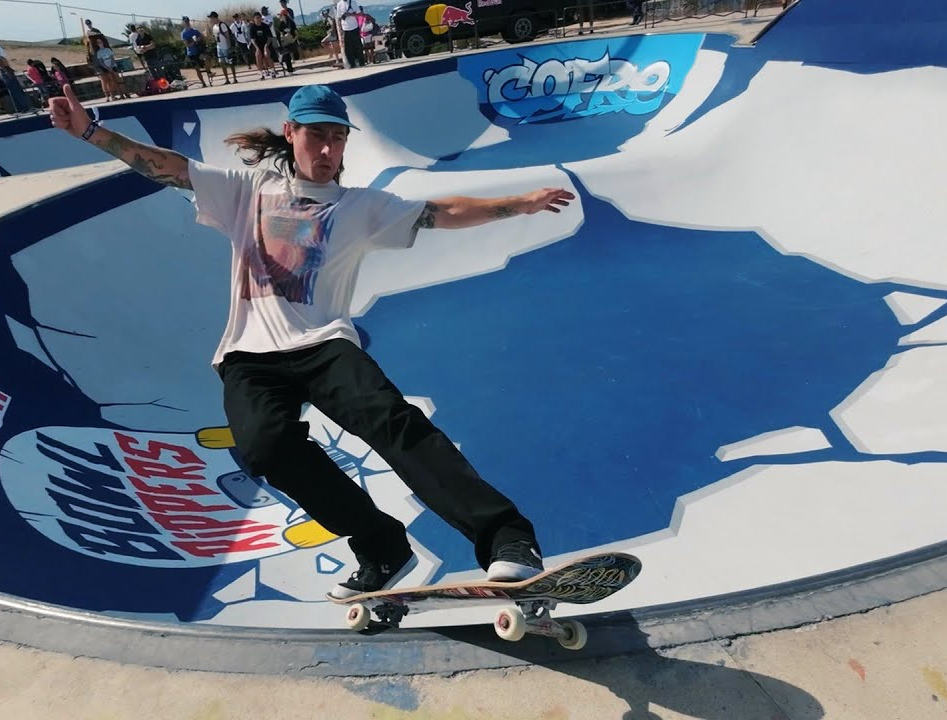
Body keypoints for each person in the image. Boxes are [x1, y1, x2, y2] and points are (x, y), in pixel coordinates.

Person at [47, 83, 571, 597]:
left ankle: (507, 539)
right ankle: (380, 544)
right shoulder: (245, 191)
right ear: (290, 133)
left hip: (324, 345)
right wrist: (91, 132)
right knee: (265, 447)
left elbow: (444, 211)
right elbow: (167, 167)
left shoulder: (360, 207)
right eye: (316, 137)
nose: (327, 150)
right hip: (248, 355)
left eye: (337, 139)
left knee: (393, 424)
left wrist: (517, 204)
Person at [180, 16, 213, 87]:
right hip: (191, 53)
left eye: (188, 21)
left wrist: (201, 38)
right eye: (185, 22)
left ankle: (208, 71)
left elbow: (202, 37)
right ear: (183, 23)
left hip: (199, 51)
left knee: (207, 58)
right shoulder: (183, 33)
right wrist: (194, 41)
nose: (187, 23)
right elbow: (187, 45)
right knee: (197, 69)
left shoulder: (195, 31)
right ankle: (203, 83)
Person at [209, 12, 239, 85]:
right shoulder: (214, 27)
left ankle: (234, 78)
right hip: (219, 46)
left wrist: (229, 47)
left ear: (215, 17)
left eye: (211, 18)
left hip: (225, 46)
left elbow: (227, 36)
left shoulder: (222, 25)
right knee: (222, 63)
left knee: (230, 62)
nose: (211, 19)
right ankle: (227, 79)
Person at [334, 0, 365, 68]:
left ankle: (361, 63)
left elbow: (359, 14)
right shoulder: (339, 4)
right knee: (348, 48)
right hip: (345, 28)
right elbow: (339, 16)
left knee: (358, 46)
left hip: (354, 26)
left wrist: (351, 14)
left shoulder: (353, 2)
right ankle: (351, 64)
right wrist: (340, 28)